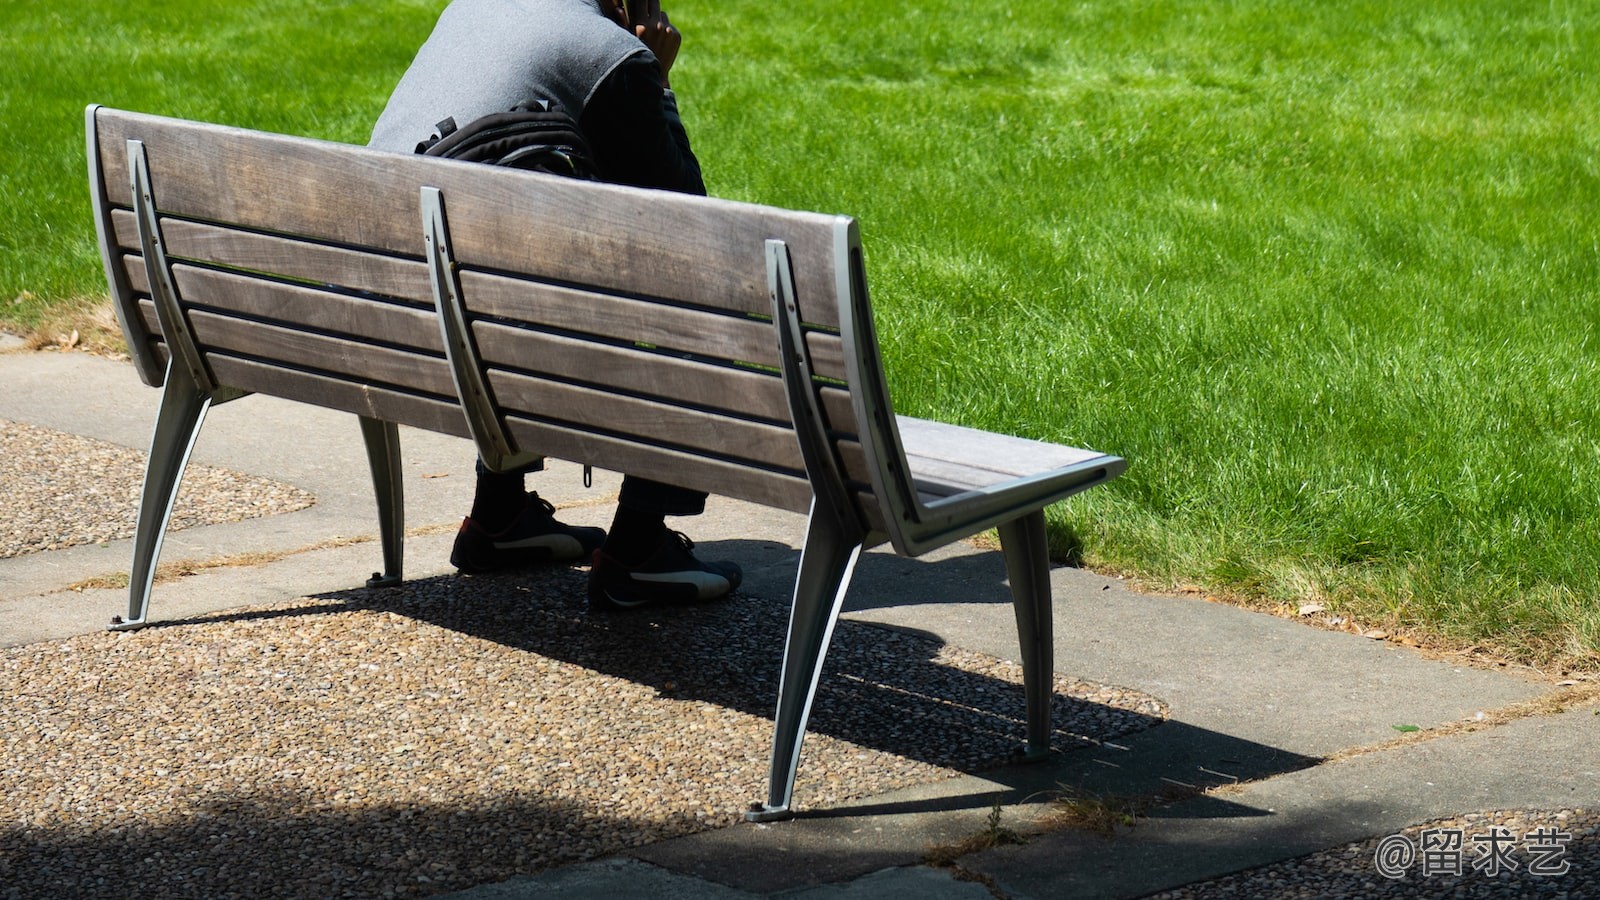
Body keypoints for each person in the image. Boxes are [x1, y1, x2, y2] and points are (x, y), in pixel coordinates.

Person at [369, 0, 741, 609]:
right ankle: (641, 551)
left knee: (502, 254)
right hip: (488, 341)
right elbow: (687, 215)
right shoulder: (604, 50)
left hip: (379, 329)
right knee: (712, 287)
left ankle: (500, 515)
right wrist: (657, 73)